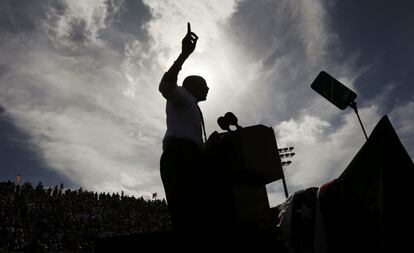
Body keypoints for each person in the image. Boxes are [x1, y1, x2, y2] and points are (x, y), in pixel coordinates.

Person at [159, 22, 209, 232]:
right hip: (180, 156)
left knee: (197, 215)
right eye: (204, 84)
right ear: (192, 86)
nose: (208, 87)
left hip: (191, 157)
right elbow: (165, 86)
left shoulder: (192, 106)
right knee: (187, 217)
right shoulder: (183, 95)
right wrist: (184, 55)